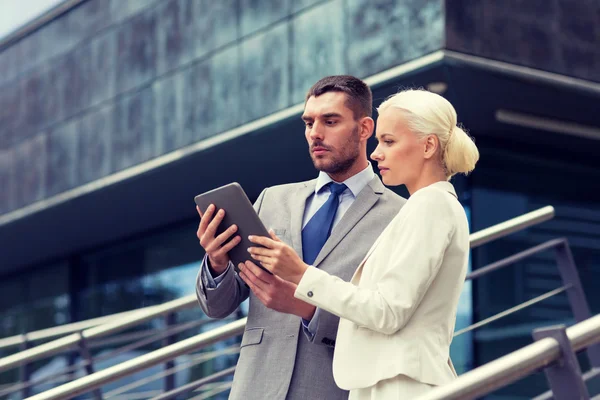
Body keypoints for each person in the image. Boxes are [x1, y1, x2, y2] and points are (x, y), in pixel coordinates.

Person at [245, 88, 480, 399]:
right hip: (385, 381)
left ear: (428, 145)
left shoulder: (431, 206)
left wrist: (302, 274)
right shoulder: (425, 206)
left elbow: (386, 311)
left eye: (389, 141)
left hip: (401, 385)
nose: (375, 153)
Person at [195, 75, 406, 400]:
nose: (315, 134)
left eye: (330, 121)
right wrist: (217, 261)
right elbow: (217, 307)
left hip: (333, 389)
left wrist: (307, 309)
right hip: (256, 388)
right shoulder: (271, 200)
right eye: (309, 122)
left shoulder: (400, 216)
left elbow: (389, 323)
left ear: (365, 129)